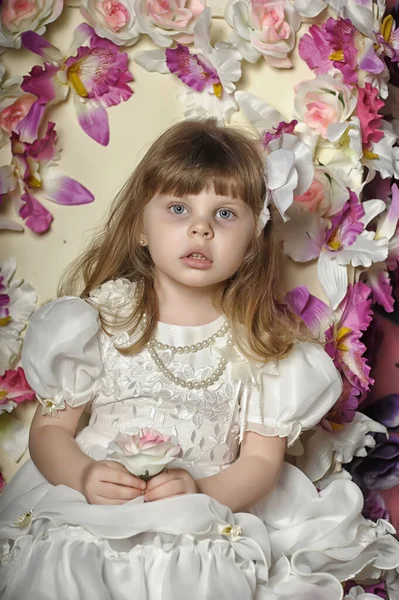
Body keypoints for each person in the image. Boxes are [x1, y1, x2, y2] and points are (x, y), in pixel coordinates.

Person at [0, 119, 398, 600]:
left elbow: (260, 461)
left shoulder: (262, 348)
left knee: (196, 569)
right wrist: (82, 476)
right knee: (65, 558)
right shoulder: (98, 321)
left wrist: (202, 496)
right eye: (178, 207)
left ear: (253, 241)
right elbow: (50, 431)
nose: (200, 226)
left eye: (225, 214)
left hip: (202, 509)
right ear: (140, 229)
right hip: (93, 503)